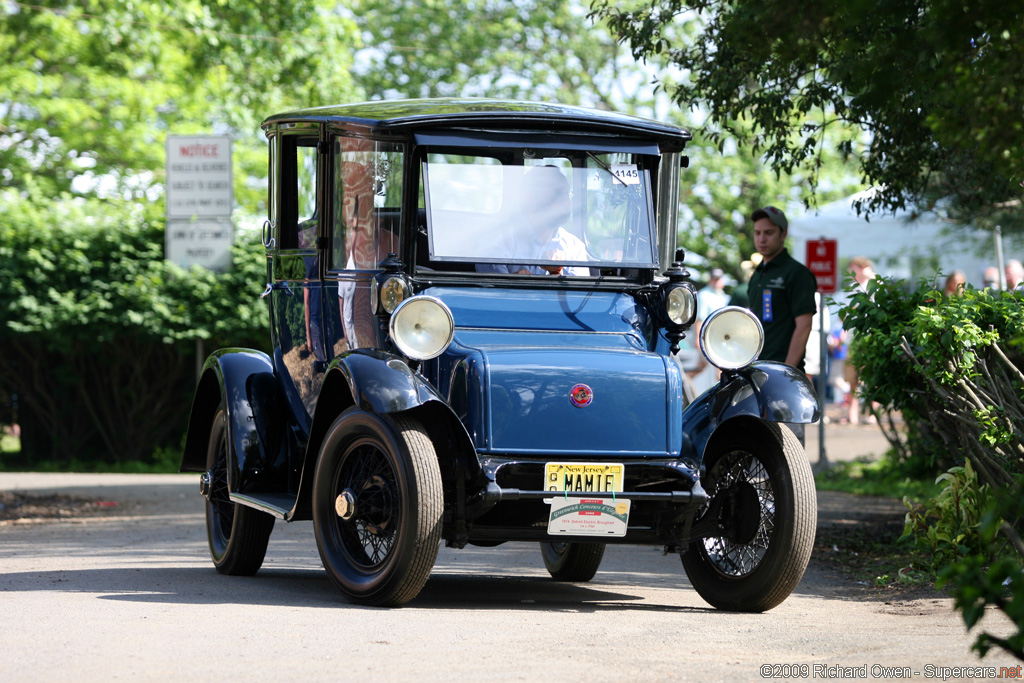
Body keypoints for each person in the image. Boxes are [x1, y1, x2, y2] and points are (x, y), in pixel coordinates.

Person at [477, 165, 589, 276]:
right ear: (531, 197)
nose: (566, 201)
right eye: (557, 193)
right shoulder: (499, 238)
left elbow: (581, 292)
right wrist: (515, 283)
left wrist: (557, 273)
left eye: (568, 194)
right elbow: (493, 286)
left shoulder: (574, 246)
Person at [746, 206, 818, 372]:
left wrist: (787, 370)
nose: (762, 239)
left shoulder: (798, 273)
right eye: (757, 233)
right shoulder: (758, 274)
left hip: (781, 371)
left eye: (769, 232)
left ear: (783, 234)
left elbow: (804, 325)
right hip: (753, 368)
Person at [844, 256, 878, 425]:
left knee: (871, 377)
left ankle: (872, 412)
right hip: (853, 340)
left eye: (854, 268)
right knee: (853, 378)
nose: (851, 273)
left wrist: (870, 276)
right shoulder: (853, 288)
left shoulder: (874, 285)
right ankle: (853, 412)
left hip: (870, 339)